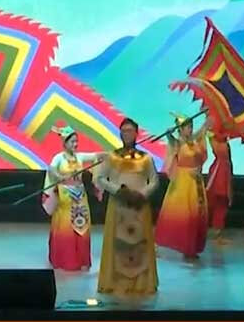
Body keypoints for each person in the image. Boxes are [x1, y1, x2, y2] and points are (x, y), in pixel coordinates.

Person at [95, 117, 159, 295]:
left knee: (140, 245)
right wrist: (118, 191)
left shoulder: (146, 159)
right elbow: (100, 178)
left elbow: (154, 181)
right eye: (124, 131)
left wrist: (142, 194)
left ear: (136, 134)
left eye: (130, 131)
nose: (127, 134)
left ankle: (141, 283)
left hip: (140, 206)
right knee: (118, 244)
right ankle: (115, 282)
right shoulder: (112, 157)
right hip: (118, 206)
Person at [43, 126, 104, 271]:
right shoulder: (58, 158)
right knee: (66, 226)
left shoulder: (80, 157)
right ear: (65, 143)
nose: (75, 144)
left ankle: (80, 259)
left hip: (80, 196)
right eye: (72, 142)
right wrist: (60, 176)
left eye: (76, 141)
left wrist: (110, 154)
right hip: (65, 195)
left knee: (82, 225)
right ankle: (66, 260)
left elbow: (96, 156)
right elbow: (51, 169)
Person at [154, 114, 209, 261]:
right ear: (180, 129)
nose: (190, 130)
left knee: (196, 215)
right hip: (182, 182)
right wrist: (169, 134)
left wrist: (207, 120)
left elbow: (201, 153)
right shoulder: (178, 144)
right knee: (183, 215)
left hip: (196, 182)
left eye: (191, 127)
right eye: (187, 127)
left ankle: (191, 248)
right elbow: (171, 140)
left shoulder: (195, 142)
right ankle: (178, 245)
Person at [205, 126, 234, 243]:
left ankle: (218, 233)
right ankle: (215, 233)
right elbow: (209, 135)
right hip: (219, 173)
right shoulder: (216, 141)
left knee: (222, 203)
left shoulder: (224, 143)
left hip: (225, 172)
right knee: (217, 202)